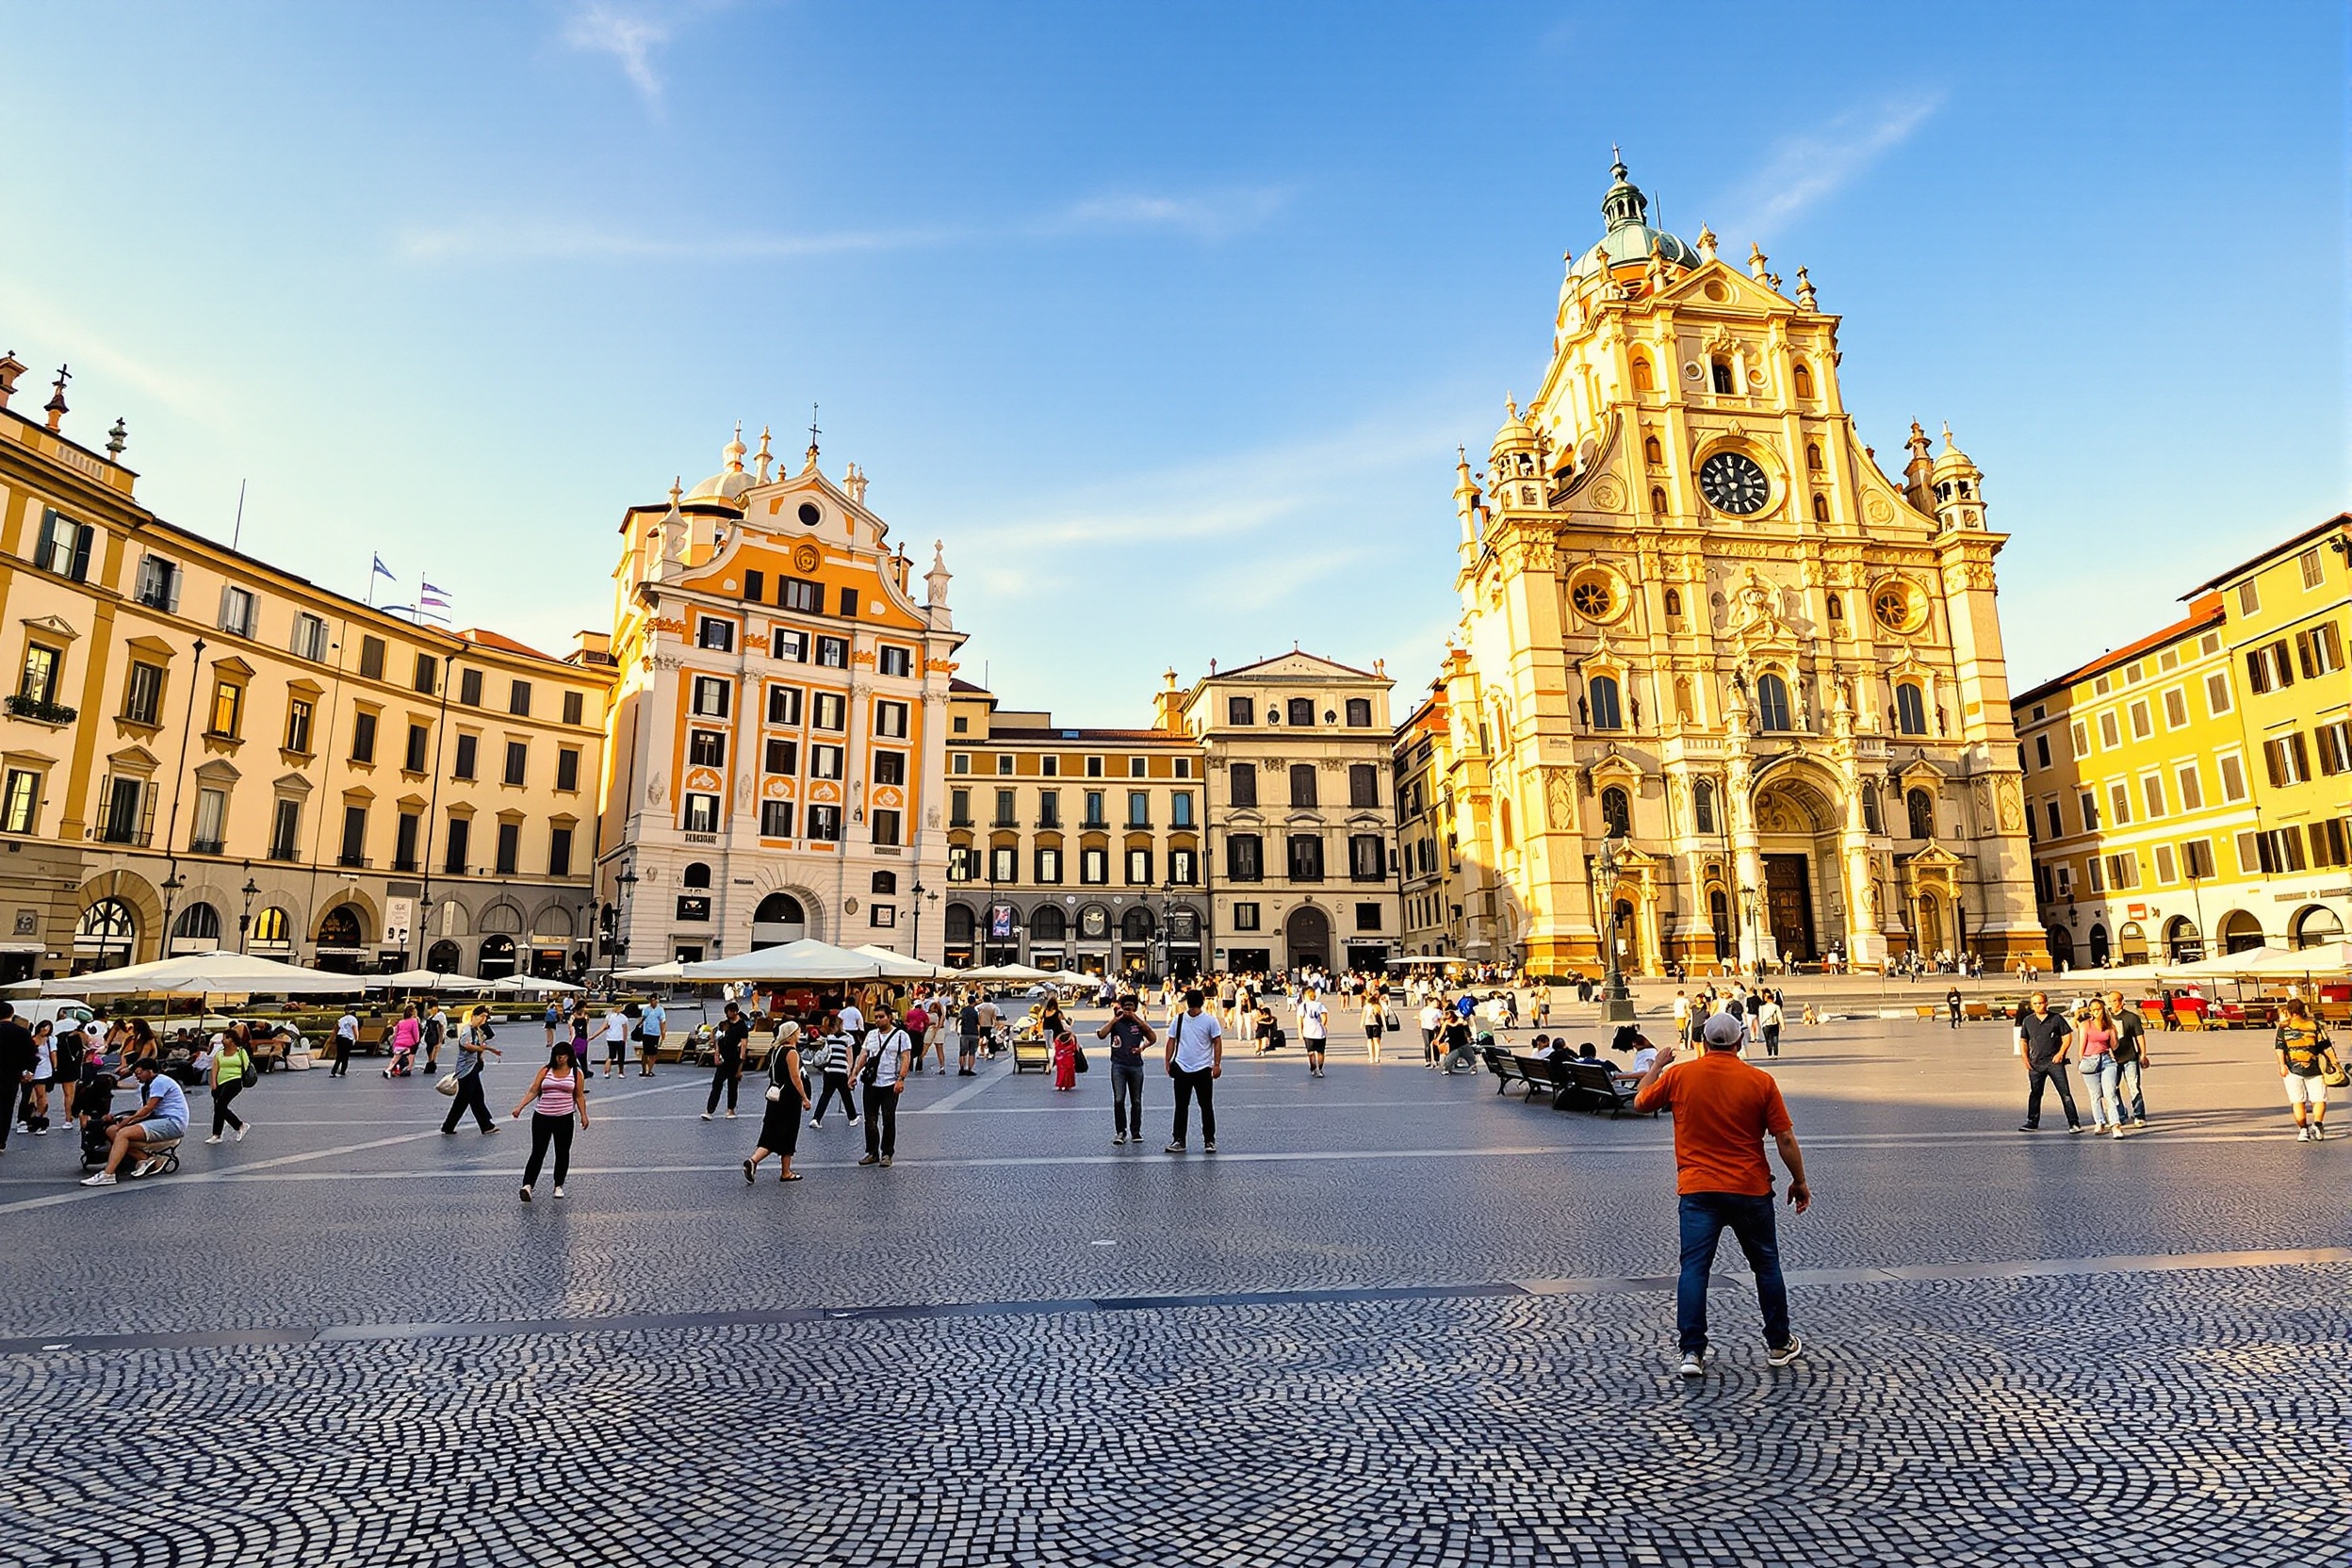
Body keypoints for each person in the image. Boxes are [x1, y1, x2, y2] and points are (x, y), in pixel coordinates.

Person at [1632, 1012, 1810, 1377]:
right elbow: (1785, 1138)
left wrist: (1659, 1065)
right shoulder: (1759, 1080)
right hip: (1750, 1189)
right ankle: (1778, 1343)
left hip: (1698, 1190)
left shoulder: (1681, 1076)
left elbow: (1641, 1101)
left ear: (1705, 1042)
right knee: (1766, 1266)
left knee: (1694, 1271)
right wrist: (1799, 1180)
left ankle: (1691, 1352)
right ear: (1739, 1041)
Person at [79, 1058, 190, 1185]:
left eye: (138, 1073)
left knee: (122, 1133)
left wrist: (127, 1121)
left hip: (172, 1122)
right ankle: (145, 1159)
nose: (136, 1077)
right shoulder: (148, 1084)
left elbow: (148, 1108)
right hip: (160, 1120)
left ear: (149, 1071)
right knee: (112, 1131)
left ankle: (108, 1174)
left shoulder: (160, 1081)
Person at [513, 1043, 589, 1200]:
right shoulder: (546, 1070)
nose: (560, 1058)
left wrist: (584, 1115)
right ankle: (527, 1185)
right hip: (542, 1116)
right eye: (557, 1055)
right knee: (538, 1152)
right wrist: (520, 1107)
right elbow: (534, 1090)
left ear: (569, 1056)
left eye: (563, 1055)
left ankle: (558, 1185)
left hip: (565, 1117)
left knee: (562, 1152)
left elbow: (579, 1095)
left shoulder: (576, 1073)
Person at [744, 1021, 808, 1182]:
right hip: (789, 1099)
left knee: (770, 1133)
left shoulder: (776, 1049)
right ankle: (786, 1172)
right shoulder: (792, 1052)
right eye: (798, 1031)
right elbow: (795, 1077)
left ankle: (753, 1161)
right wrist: (804, 1097)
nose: (800, 1033)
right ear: (792, 1034)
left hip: (774, 1096)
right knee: (789, 1134)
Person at [1164, 988, 1224, 1153]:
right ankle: (1202, 1141)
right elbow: (1217, 1042)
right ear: (1203, 1002)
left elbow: (1171, 1041)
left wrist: (1167, 1061)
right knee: (1194, 1106)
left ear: (1187, 1002)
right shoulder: (1180, 1019)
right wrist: (1217, 1064)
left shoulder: (1207, 1021)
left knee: (1196, 1106)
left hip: (1202, 1067)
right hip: (1185, 1066)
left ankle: (1188, 1140)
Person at [853, 1006, 913, 1168]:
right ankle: (872, 1152)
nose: (877, 1020)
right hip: (871, 1083)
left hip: (890, 1083)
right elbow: (863, 1055)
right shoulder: (871, 1035)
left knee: (888, 1119)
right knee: (870, 1120)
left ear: (889, 1018)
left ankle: (887, 1153)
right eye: (876, 1017)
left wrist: (901, 1079)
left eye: (881, 1017)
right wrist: (854, 1074)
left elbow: (906, 1058)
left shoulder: (901, 1036)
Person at [2014, 992, 2082, 1133]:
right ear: (2032, 1006)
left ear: (2046, 1003)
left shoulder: (2056, 1018)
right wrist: (2025, 1059)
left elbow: (2067, 1036)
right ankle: (2032, 1121)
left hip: (2054, 1062)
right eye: (2035, 1004)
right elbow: (2023, 1041)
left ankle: (2073, 1122)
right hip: (2036, 1063)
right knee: (2035, 1093)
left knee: (2065, 1093)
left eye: (2041, 1002)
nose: (2039, 1006)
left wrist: (2061, 1053)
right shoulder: (2028, 1021)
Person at [1097, 993, 1157, 1147]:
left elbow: (1153, 1037)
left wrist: (1142, 1047)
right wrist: (1116, 1018)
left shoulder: (1138, 1023)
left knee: (1136, 1100)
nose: (1127, 1010)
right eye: (1125, 1007)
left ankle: (1136, 1131)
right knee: (1119, 1099)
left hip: (1136, 1065)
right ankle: (1121, 1131)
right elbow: (1101, 1034)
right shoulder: (1116, 1023)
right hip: (1118, 1065)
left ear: (1135, 1008)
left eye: (1130, 1007)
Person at [2276, 999, 2334, 1142]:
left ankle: (2303, 1130)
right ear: (2304, 1010)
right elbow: (2325, 1045)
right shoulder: (2315, 1025)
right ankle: (2318, 1124)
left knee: (2298, 1101)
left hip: (2291, 1068)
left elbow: (2279, 1048)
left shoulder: (2283, 1027)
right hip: (2315, 1067)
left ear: (2288, 1011)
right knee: (2319, 1099)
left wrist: (2282, 1065)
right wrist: (2334, 1062)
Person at [441, 1004, 502, 1135]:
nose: (483, 1020)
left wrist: (491, 1050)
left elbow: (483, 1041)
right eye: (482, 1016)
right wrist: (481, 1049)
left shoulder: (476, 1030)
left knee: (476, 1098)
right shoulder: (468, 1030)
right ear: (474, 1016)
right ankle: (450, 1125)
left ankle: (486, 1125)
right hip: (466, 1070)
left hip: (472, 1068)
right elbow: (465, 1044)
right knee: (464, 1100)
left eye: (485, 1017)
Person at [2075, 999, 2125, 1138]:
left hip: (2107, 1060)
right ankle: (2100, 1122)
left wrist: (2113, 1032)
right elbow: (2081, 1046)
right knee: (2095, 1095)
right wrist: (2081, 1062)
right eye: (2093, 1010)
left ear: (2103, 1010)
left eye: (2099, 1009)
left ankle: (2115, 1125)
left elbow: (2114, 1046)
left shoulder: (2109, 1025)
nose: (2096, 1012)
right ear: (2090, 1011)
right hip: (2090, 1060)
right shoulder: (2085, 1025)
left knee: (2110, 1093)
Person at [2106, 990, 2150, 1128]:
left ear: (2121, 1002)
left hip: (2130, 1057)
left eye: (2114, 1001)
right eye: (2110, 1001)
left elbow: (2139, 1037)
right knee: (2113, 1088)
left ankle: (2139, 1115)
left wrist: (2143, 1054)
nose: (2111, 1004)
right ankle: (2120, 1115)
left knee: (2133, 1086)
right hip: (2112, 1059)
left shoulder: (2132, 1018)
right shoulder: (2106, 1018)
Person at [205, 1025, 254, 1144]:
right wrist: (213, 1083)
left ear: (232, 1039)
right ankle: (236, 1127)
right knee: (219, 1107)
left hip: (235, 1080)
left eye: (226, 1038)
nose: (223, 1040)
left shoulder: (241, 1052)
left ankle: (220, 1133)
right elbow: (214, 1069)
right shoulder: (220, 1053)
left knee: (220, 1105)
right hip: (220, 1081)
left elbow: (246, 1067)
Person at [701, 1002, 749, 1120]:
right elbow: (717, 1039)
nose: (728, 1014)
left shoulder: (742, 1026)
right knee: (716, 1084)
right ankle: (709, 1110)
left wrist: (741, 1063)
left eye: (729, 1012)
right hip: (723, 1059)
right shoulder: (723, 1024)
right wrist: (716, 1054)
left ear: (735, 1012)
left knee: (732, 1085)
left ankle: (731, 1109)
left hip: (734, 1058)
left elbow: (744, 1044)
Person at [809, 1024, 858, 1126]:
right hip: (841, 1070)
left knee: (826, 1095)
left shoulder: (830, 1038)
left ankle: (816, 1118)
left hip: (829, 1070)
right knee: (846, 1095)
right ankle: (852, 1118)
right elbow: (849, 1057)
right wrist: (850, 1071)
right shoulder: (848, 1038)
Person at [0, 1003, 33, 1154]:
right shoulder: (22, 1032)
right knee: (6, 1108)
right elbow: (31, 1054)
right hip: (11, 1075)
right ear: (12, 1014)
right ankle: (1, 1141)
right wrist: (28, 1072)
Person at [383, 1004, 420, 1079]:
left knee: (395, 1059)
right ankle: (407, 1069)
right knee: (410, 1056)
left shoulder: (400, 1022)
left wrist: (394, 1045)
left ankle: (388, 1070)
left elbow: (396, 1033)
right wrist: (416, 1041)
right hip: (408, 1043)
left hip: (398, 1042)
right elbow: (415, 1033)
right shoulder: (414, 1021)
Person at [1299, 987, 1331, 1078]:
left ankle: (1313, 1069)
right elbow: (1325, 1017)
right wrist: (1322, 1025)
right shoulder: (1319, 1005)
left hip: (1308, 1032)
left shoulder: (1303, 1006)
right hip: (1320, 1031)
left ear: (1305, 996)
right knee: (1320, 1052)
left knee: (1311, 1052)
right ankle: (1319, 1069)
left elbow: (1300, 1020)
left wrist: (1300, 1032)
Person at [637, 996, 667, 1076]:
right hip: (646, 1033)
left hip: (655, 1033)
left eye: (654, 1000)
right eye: (652, 1000)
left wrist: (663, 1032)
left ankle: (649, 1070)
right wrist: (638, 1027)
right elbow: (642, 1019)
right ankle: (644, 1070)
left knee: (653, 1053)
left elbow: (662, 1021)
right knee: (645, 1052)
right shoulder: (646, 1009)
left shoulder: (660, 1010)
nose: (653, 1002)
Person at [602, 1003, 633, 1078]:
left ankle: (613, 1072)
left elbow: (624, 1029)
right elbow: (625, 1029)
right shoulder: (621, 1018)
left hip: (614, 1038)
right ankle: (614, 1072)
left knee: (616, 1056)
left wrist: (624, 1039)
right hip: (615, 1038)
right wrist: (624, 1039)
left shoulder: (611, 1017)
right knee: (616, 1057)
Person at [1051, 1014, 1079, 1092]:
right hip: (1069, 1056)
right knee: (1069, 1071)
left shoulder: (1058, 1037)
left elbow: (1056, 1045)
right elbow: (1074, 1047)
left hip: (1060, 1056)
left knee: (1061, 1071)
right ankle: (1067, 1084)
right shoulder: (1071, 1037)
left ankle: (1060, 1084)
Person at [956, 995, 981, 1076]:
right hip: (974, 1033)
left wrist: (957, 1029)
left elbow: (959, 1019)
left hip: (964, 1033)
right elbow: (978, 1023)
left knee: (962, 1052)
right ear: (974, 1002)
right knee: (972, 1052)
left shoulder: (963, 1010)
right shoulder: (975, 1012)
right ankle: (970, 1069)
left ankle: (962, 1068)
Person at [330, 1006, 359, 1077]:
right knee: (345, 1055)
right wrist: (356, 1038)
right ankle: (343, 1071)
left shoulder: (342, 1019)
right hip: (348, 1038)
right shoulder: (354, 1019)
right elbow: (354, 1028)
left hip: (340, 1037)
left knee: (339, 1055)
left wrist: (333, 1038)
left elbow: (336, 1028)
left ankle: (333, 1071)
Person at [420, 1002, 447, 1076]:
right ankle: (431, 1063)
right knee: (429, 1050)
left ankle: (431, 1065)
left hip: (436, 1036)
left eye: (431, 1008)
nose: (430, 1010)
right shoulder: (430, 1016)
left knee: (434, 1051)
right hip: (429, 1036)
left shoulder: (440, 1016)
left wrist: (440, 1040)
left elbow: (441, 1028)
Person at [1362, 989, 1386, 1065]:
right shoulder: (1378, 1006)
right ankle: (1377, 1057)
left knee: (1369, 1040)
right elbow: (1383, 1017)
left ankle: (1371, 1057)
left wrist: (1362, 1024)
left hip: (1368, 1024)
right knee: (1377, 1042)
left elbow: (1363, 1015)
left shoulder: (1366, 1006)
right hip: (1377, 1025)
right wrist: (1385, 1026)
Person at [1418, 998, 1444, 1069]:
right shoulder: (1424, 1010)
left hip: (1435, 1028)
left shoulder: (1438, 1011)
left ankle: (1436, 1060)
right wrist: (1420, 1026)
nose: (1437, 1004)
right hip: (1426, 1028)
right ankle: (1428, 1060)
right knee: (1427, 1044)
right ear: (1431, 1002)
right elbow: (1420, 1019)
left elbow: (1441, 1019)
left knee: (1435, 1044)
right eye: (1436, 1002)